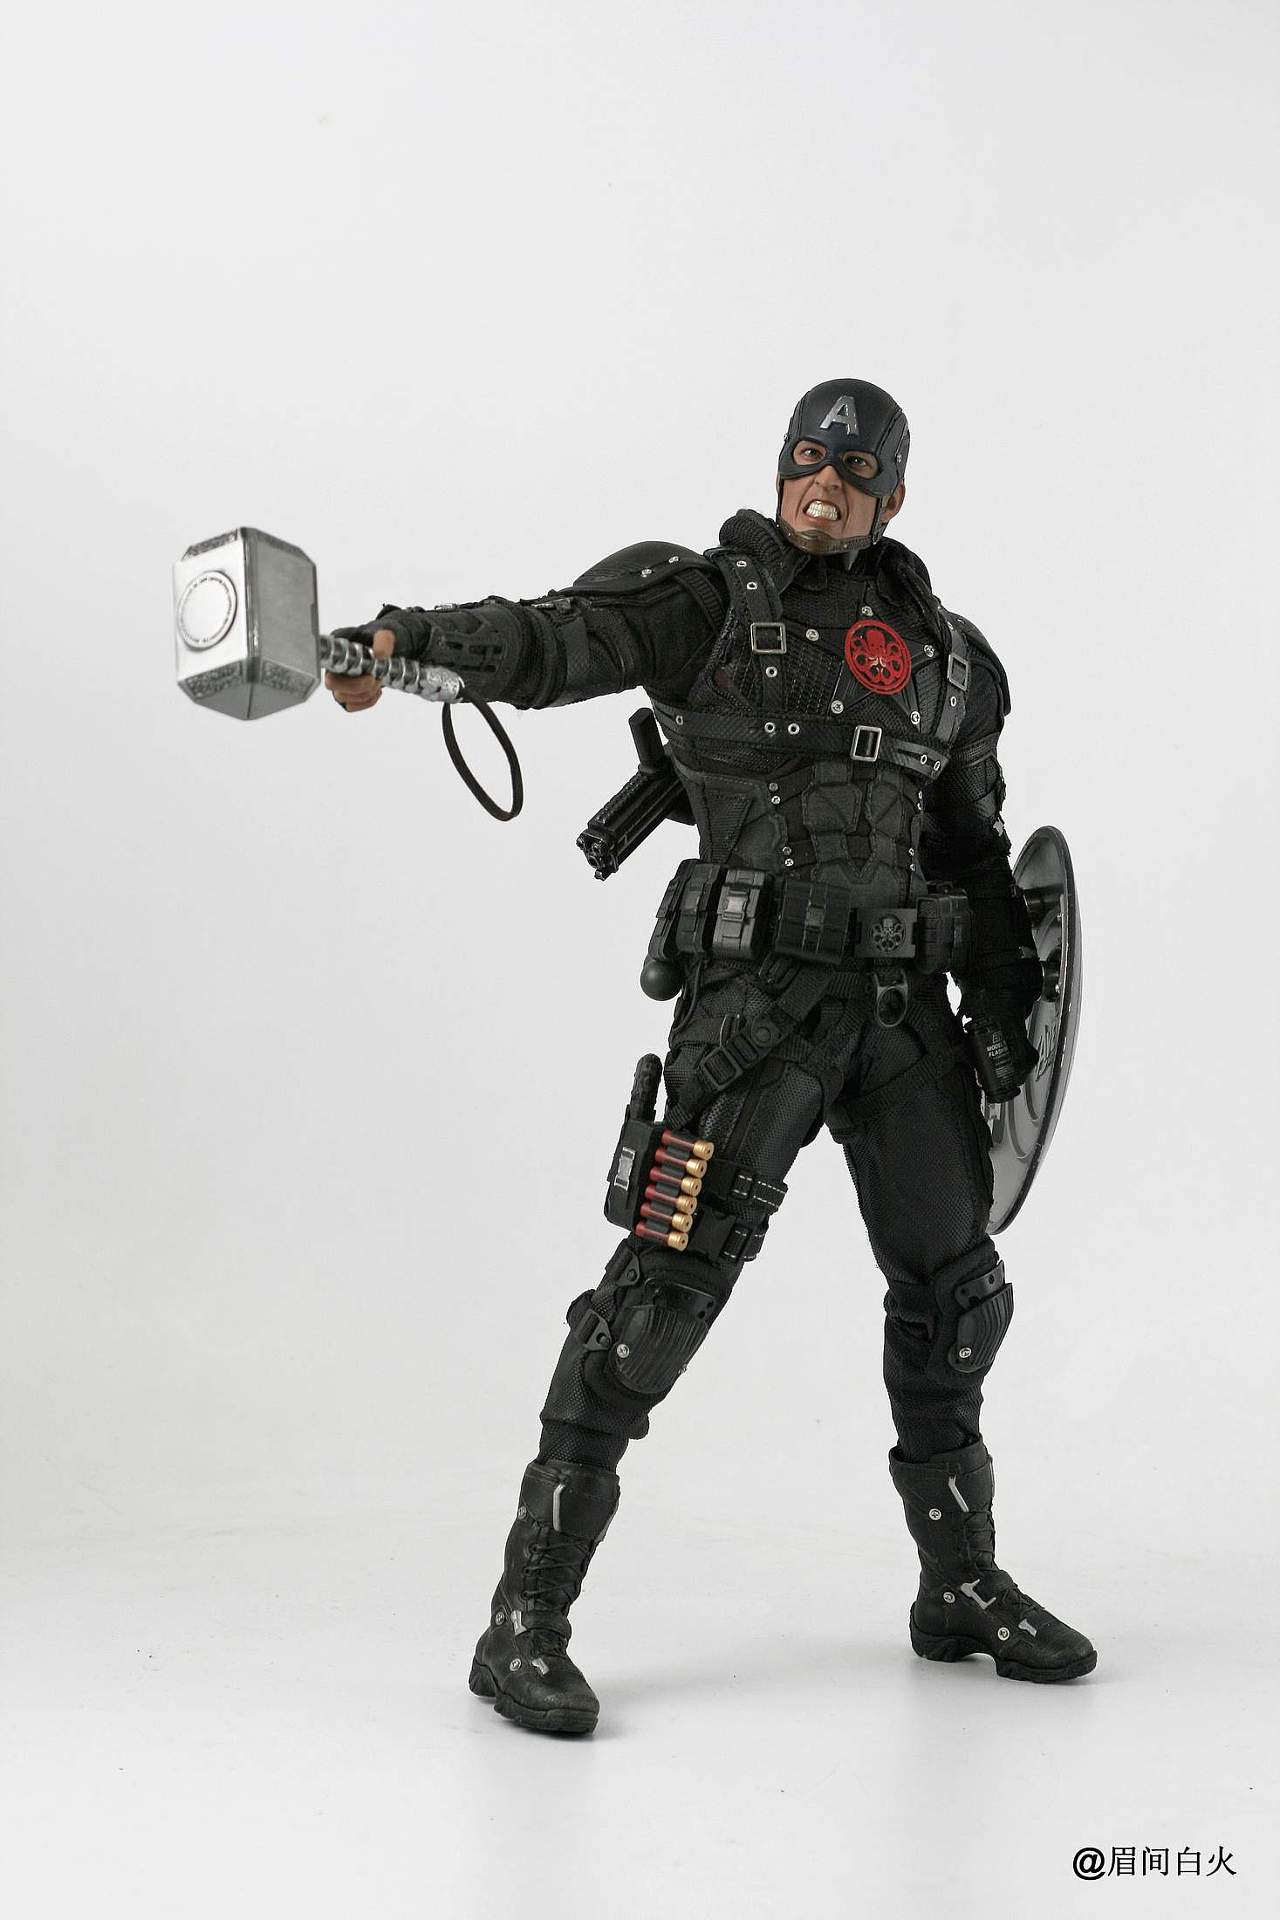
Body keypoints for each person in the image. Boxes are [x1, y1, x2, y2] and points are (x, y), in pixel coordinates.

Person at [329, 378, 1096, 1734]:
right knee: (656, 1302)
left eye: (854, 472)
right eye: (809, 460)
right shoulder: (708, 603)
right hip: (758, 1016)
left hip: (900, 1020)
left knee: (957, 1295)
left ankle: (960, 1585)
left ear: (892, 495)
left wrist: (1002, 1011)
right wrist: (400, 647)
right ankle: (525, 1619)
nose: (826, 485)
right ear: (782, 465)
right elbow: (550, 641)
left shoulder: (948, 659)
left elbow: (978, 858)